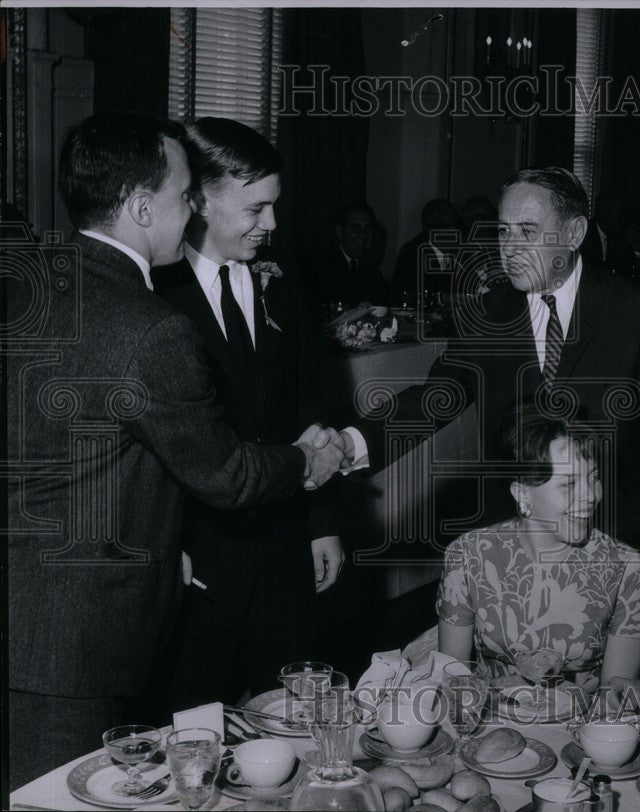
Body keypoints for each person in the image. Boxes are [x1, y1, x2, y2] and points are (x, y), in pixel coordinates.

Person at [4, 112, 345, 786]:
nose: (193, 210)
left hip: (30, 609)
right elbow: (225, 474)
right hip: (77, 635)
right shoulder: (150, 327)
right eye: (187, 195)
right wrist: (312, 460)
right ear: (139, 207)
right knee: (64, 793)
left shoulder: (32, 283)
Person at [337, 167, 640, 608]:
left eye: (528, 231)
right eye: (503, 231)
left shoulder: (635, 311)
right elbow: (437, 397)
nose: (510, 249)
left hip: (611, 538)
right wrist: (354, 443)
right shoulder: (487, 315)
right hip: (513, 543)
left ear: (574, 232)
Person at [151, 117, 344, 707]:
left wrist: (323, 523)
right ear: (199, 200)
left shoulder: (281, 282)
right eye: (257, 208)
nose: (273, 224)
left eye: (275, 207)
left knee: (289, 719)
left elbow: (308, 406)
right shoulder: (155, 292)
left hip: (284, 552)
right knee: (194, 728)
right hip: (198, 566)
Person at [436, 406, 640, 689]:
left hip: (584, 726)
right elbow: (454, 684)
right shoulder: (468, 555)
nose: (591, 496)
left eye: (594, 477)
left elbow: (615, 698)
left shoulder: (626, 568)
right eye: (569, 484)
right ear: (523, 493)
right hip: (492, 723)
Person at [319, 200, 388, 311]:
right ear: (340, 231)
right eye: (356, 228)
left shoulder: (369, 265)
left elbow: (382, 299)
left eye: (368, 229)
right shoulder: (321, 264)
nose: (363, 236)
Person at [390, 197, 461, 303]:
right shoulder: (412, 253)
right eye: (447, 226)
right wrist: (442, 298)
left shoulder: (459, 252)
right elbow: (405, 295)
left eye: (456, 225)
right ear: (428, 228)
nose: (454, 232)